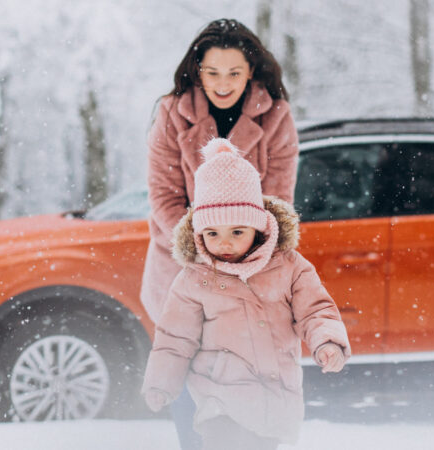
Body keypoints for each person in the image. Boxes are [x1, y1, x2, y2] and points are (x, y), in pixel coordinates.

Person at [140, 18, 299, 448]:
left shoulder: (277, 118)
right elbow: (164, 198)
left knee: (252, 384)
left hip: (253, 272)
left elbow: (277, 203)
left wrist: (241, 255)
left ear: (251, 73)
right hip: (184, 269)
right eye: (212, 73)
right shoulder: (172, 114)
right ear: (197, 72)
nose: (222, 84)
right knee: (190, 381)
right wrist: (206, 254)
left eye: (234, 72)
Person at [141, 139, 350, 450]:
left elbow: (316, 310)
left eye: (236, 232)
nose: (224, 244)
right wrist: (161, 383)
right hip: (218, 397)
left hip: (275, 394)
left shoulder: (289, 267)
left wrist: (327, 340)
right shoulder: (194, 279)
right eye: (212, 234)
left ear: (259, 226)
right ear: (199, 232)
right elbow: (175, 338)